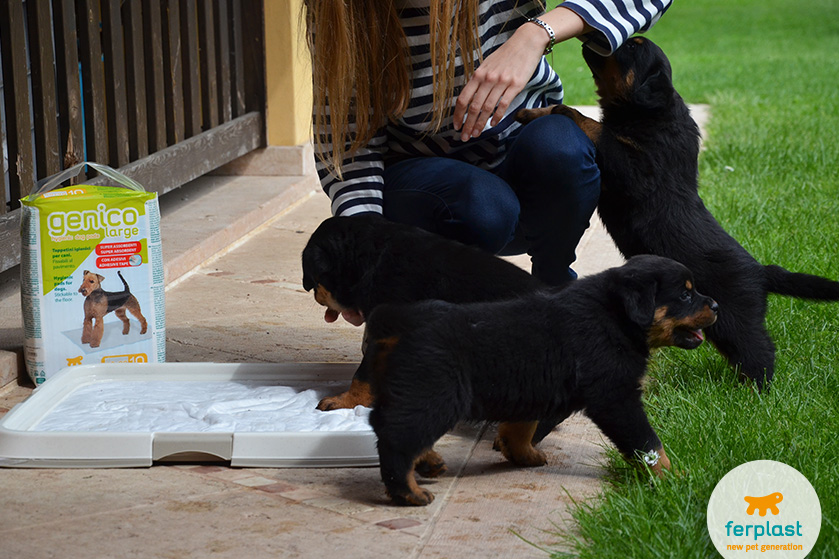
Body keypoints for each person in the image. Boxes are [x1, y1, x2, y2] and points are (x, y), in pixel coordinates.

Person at [303, 0, 672, 286]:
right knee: (482, 203)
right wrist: (363, 248)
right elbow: (348, 143)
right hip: (429, 195)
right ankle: (433, 309)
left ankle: (553, 292)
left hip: (527, 172)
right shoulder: (342, 9)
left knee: (561, 145)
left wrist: (535, 34)